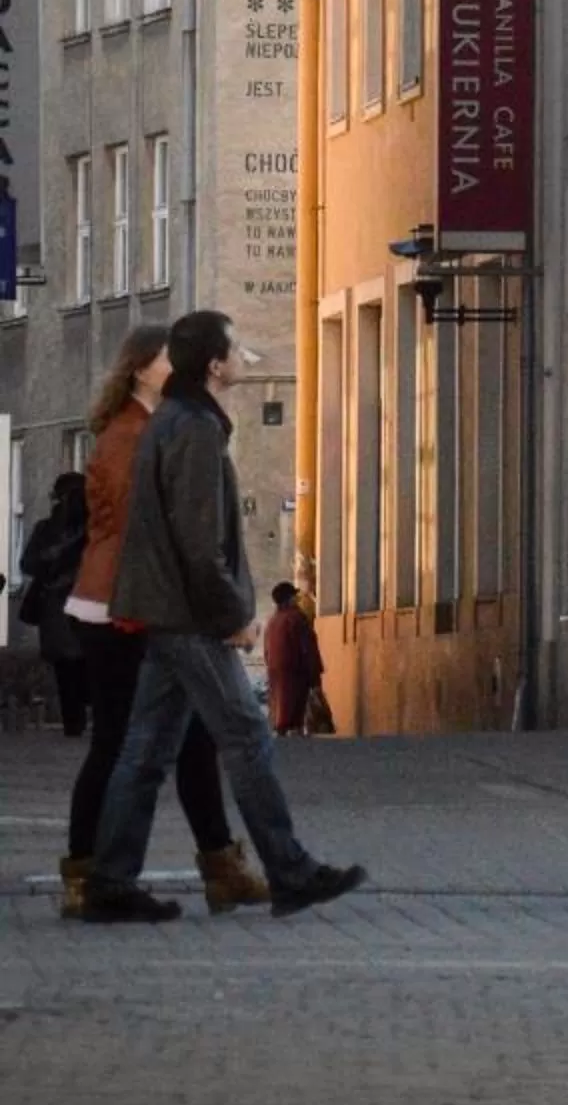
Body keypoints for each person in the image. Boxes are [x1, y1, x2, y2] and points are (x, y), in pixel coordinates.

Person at [82, 310, 366, 925]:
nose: (241, 358)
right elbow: (199, 541)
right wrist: (233, 615)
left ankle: (109, 880)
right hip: (191, 616)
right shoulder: (196, 429)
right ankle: (290, 871)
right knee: (246, 737)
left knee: (146, 750)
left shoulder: (172, 419)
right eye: (234, 349)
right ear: (215, 364)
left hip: (166, 608)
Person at [61, 330, 266, 918]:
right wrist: (217, 611)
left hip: (142, 603)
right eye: (168, 359)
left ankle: (220, 867)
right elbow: (154, 530)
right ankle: (88, 874)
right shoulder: (132, 435)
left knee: (192, 736)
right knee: (121, 743)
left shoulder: (152, 428)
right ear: (141, 370)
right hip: (122, 608)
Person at [20, 475, 90, 738]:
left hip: (87, 603)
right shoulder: (47, 530)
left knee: (84, 663)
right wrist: (49, 556)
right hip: (57, 606)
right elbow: (27, 564)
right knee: (65, 664)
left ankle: (81, 716)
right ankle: (74, 720)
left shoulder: (94, 530)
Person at [263, 581, 325, 737]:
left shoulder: (272, 621)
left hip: (275, 673)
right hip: (295, 673)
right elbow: (308, 648)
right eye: (294, 597)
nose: (296, 600)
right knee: (295, 711)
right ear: (289, 599)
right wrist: (315, 677)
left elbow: (266, 652)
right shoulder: (296, 618)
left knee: (281, 709)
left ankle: (282, 732)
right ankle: (294, 736)